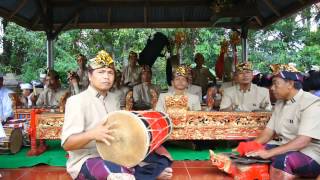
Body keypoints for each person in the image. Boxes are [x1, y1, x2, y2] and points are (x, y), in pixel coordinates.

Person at [61, 50, 172, 180]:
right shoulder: (76, 101)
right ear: (90, 76)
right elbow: (67, 144)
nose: (106, 77)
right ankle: (142, 174)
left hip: (116, 153)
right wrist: (93, 134)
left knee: (162, 159)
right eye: (101, 72)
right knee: (117, 175)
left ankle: (136, 174)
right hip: (88, 157)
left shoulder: (114, 98)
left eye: (110, 72)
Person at [237, 64, 320, 179]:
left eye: (276, 84)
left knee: (282, 161)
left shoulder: (312, 103)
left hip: (310, 153)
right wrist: (250, 146)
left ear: (290, 84)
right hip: (284, 146)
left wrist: (269, 153)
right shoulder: (281, 103)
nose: (272, 88)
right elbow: (268, 133)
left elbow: (303, 141)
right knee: (250, 152)